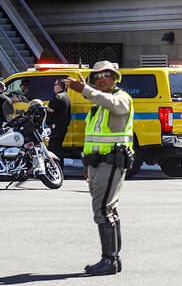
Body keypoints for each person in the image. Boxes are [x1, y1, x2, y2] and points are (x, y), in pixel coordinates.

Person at [65, 61, 132, 276]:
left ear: (115, 77)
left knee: (103, 209)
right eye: (96, 76)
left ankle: (109, 260)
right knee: (108, 209)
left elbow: (113, 103)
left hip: (111, 162)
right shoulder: (97, 107)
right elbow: (91, 138)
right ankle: (113, 259)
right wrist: (87, 164)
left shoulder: (121, 98)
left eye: (106, 74)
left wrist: (85, 89)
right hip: (97, 164)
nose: (100, 78)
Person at [47, 77, 72, 162]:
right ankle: (59, 168)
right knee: (58, 148)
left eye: (55, 85)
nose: (54, 87)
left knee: (53, 149)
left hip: (56, 127)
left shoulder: (58, 97)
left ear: (59, 86)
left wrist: (43, 106)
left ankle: (54, 168)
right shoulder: (66, 96)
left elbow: (52, 109)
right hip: (63, 127)